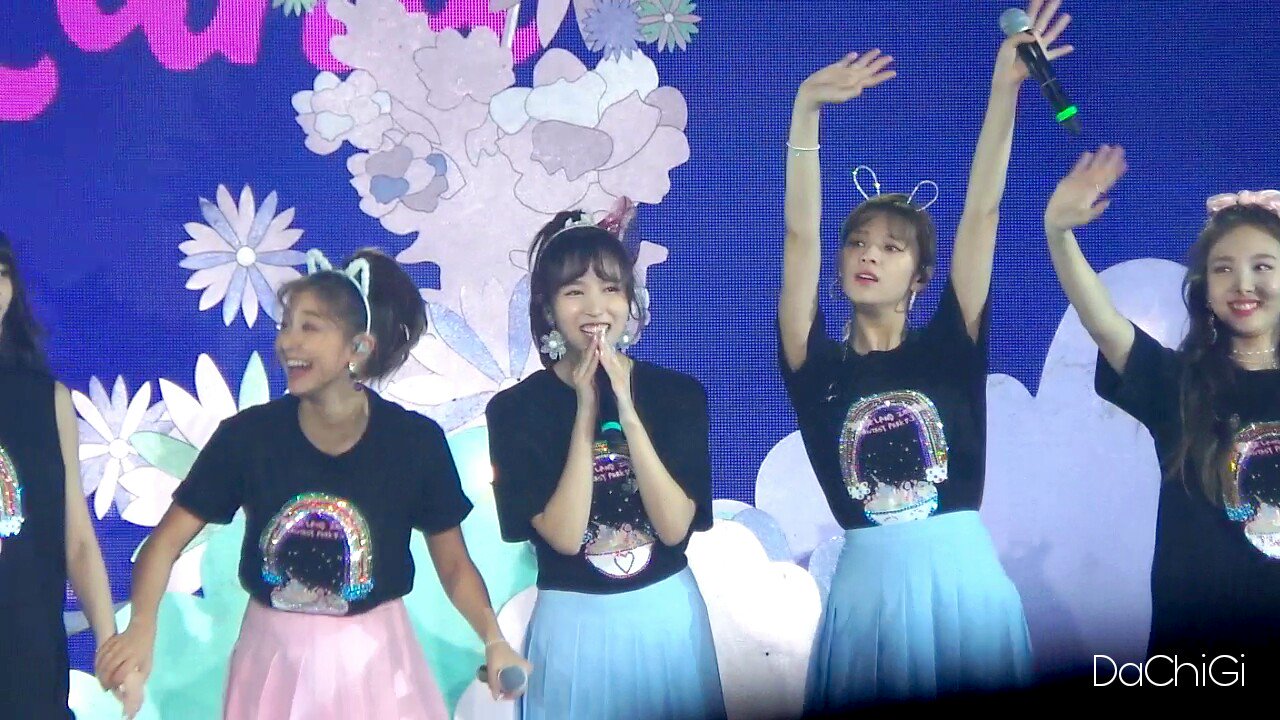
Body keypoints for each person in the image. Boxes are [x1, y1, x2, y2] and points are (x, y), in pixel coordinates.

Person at [778, 1, 1073, 707]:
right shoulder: (815, 364)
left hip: (963, 588)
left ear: (920, 277)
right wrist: (805, 113)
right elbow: (800, 236)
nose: (868, 256)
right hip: (869, 602)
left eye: (891, 247)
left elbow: (982, 211)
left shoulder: (950, 346)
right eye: (857, 243)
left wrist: (1004, 92)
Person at [97, 247, 528, 718]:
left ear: (358, 348)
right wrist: (140, 630)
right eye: (285, 326)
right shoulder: (248, 437)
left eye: (310, 328)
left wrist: (494, 639)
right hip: (272, 660)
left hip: (378, 665)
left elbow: (455, 567)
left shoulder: (414, 442)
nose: (287, 343)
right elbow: (162, 545)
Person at [1043, 143, 1280, 675]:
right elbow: (1103, 322)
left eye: (1262, 266)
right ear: (1204, 289)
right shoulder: (1180, 384)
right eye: (1224, 268)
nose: (1243, 283)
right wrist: (1059, 233)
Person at [487, 206, 724, 719]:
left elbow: (674, 527)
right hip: (573, 631)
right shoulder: (514, 411)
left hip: (666, 619)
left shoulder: (677, 395)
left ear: (629, 300)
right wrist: (585, 411)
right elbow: (565, 536)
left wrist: (627, 409)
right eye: (575, 292)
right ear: (548, 308)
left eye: (611, 289)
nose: (595, 306)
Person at [0, 231, 140, 718]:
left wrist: (109, 645)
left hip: (29, 653)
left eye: (1, 273)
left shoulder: (47, 399)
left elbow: (76, 539)